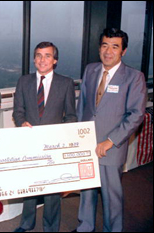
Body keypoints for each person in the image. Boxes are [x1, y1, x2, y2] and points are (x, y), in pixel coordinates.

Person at [75, 28, 147, 232]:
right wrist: (79, 135)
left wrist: (110, 141)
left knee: (111, 195)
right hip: (87, 143)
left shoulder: (134, 77)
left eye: (114, 46)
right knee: (87, 189)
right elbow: (83, 105)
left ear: (123, 51)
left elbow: (136, 115)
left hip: (111, 147)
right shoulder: (90, 69)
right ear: (99, 48)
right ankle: (85, 226)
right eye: (105, 45)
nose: (108, 51)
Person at [13, 42, 77, 232]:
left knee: (52, 191)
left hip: (53, 146)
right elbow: (18, 111)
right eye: (39, 55)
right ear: (34, 59)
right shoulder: (23, 81)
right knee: (30, 186)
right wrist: (22, 122)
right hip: (30, 143)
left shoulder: (65, 83)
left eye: (47, 55)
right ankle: (26, 224)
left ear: (55, 60)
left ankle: (50, 228)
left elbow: (71, 116)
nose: (43, 60)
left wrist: (61, 137)